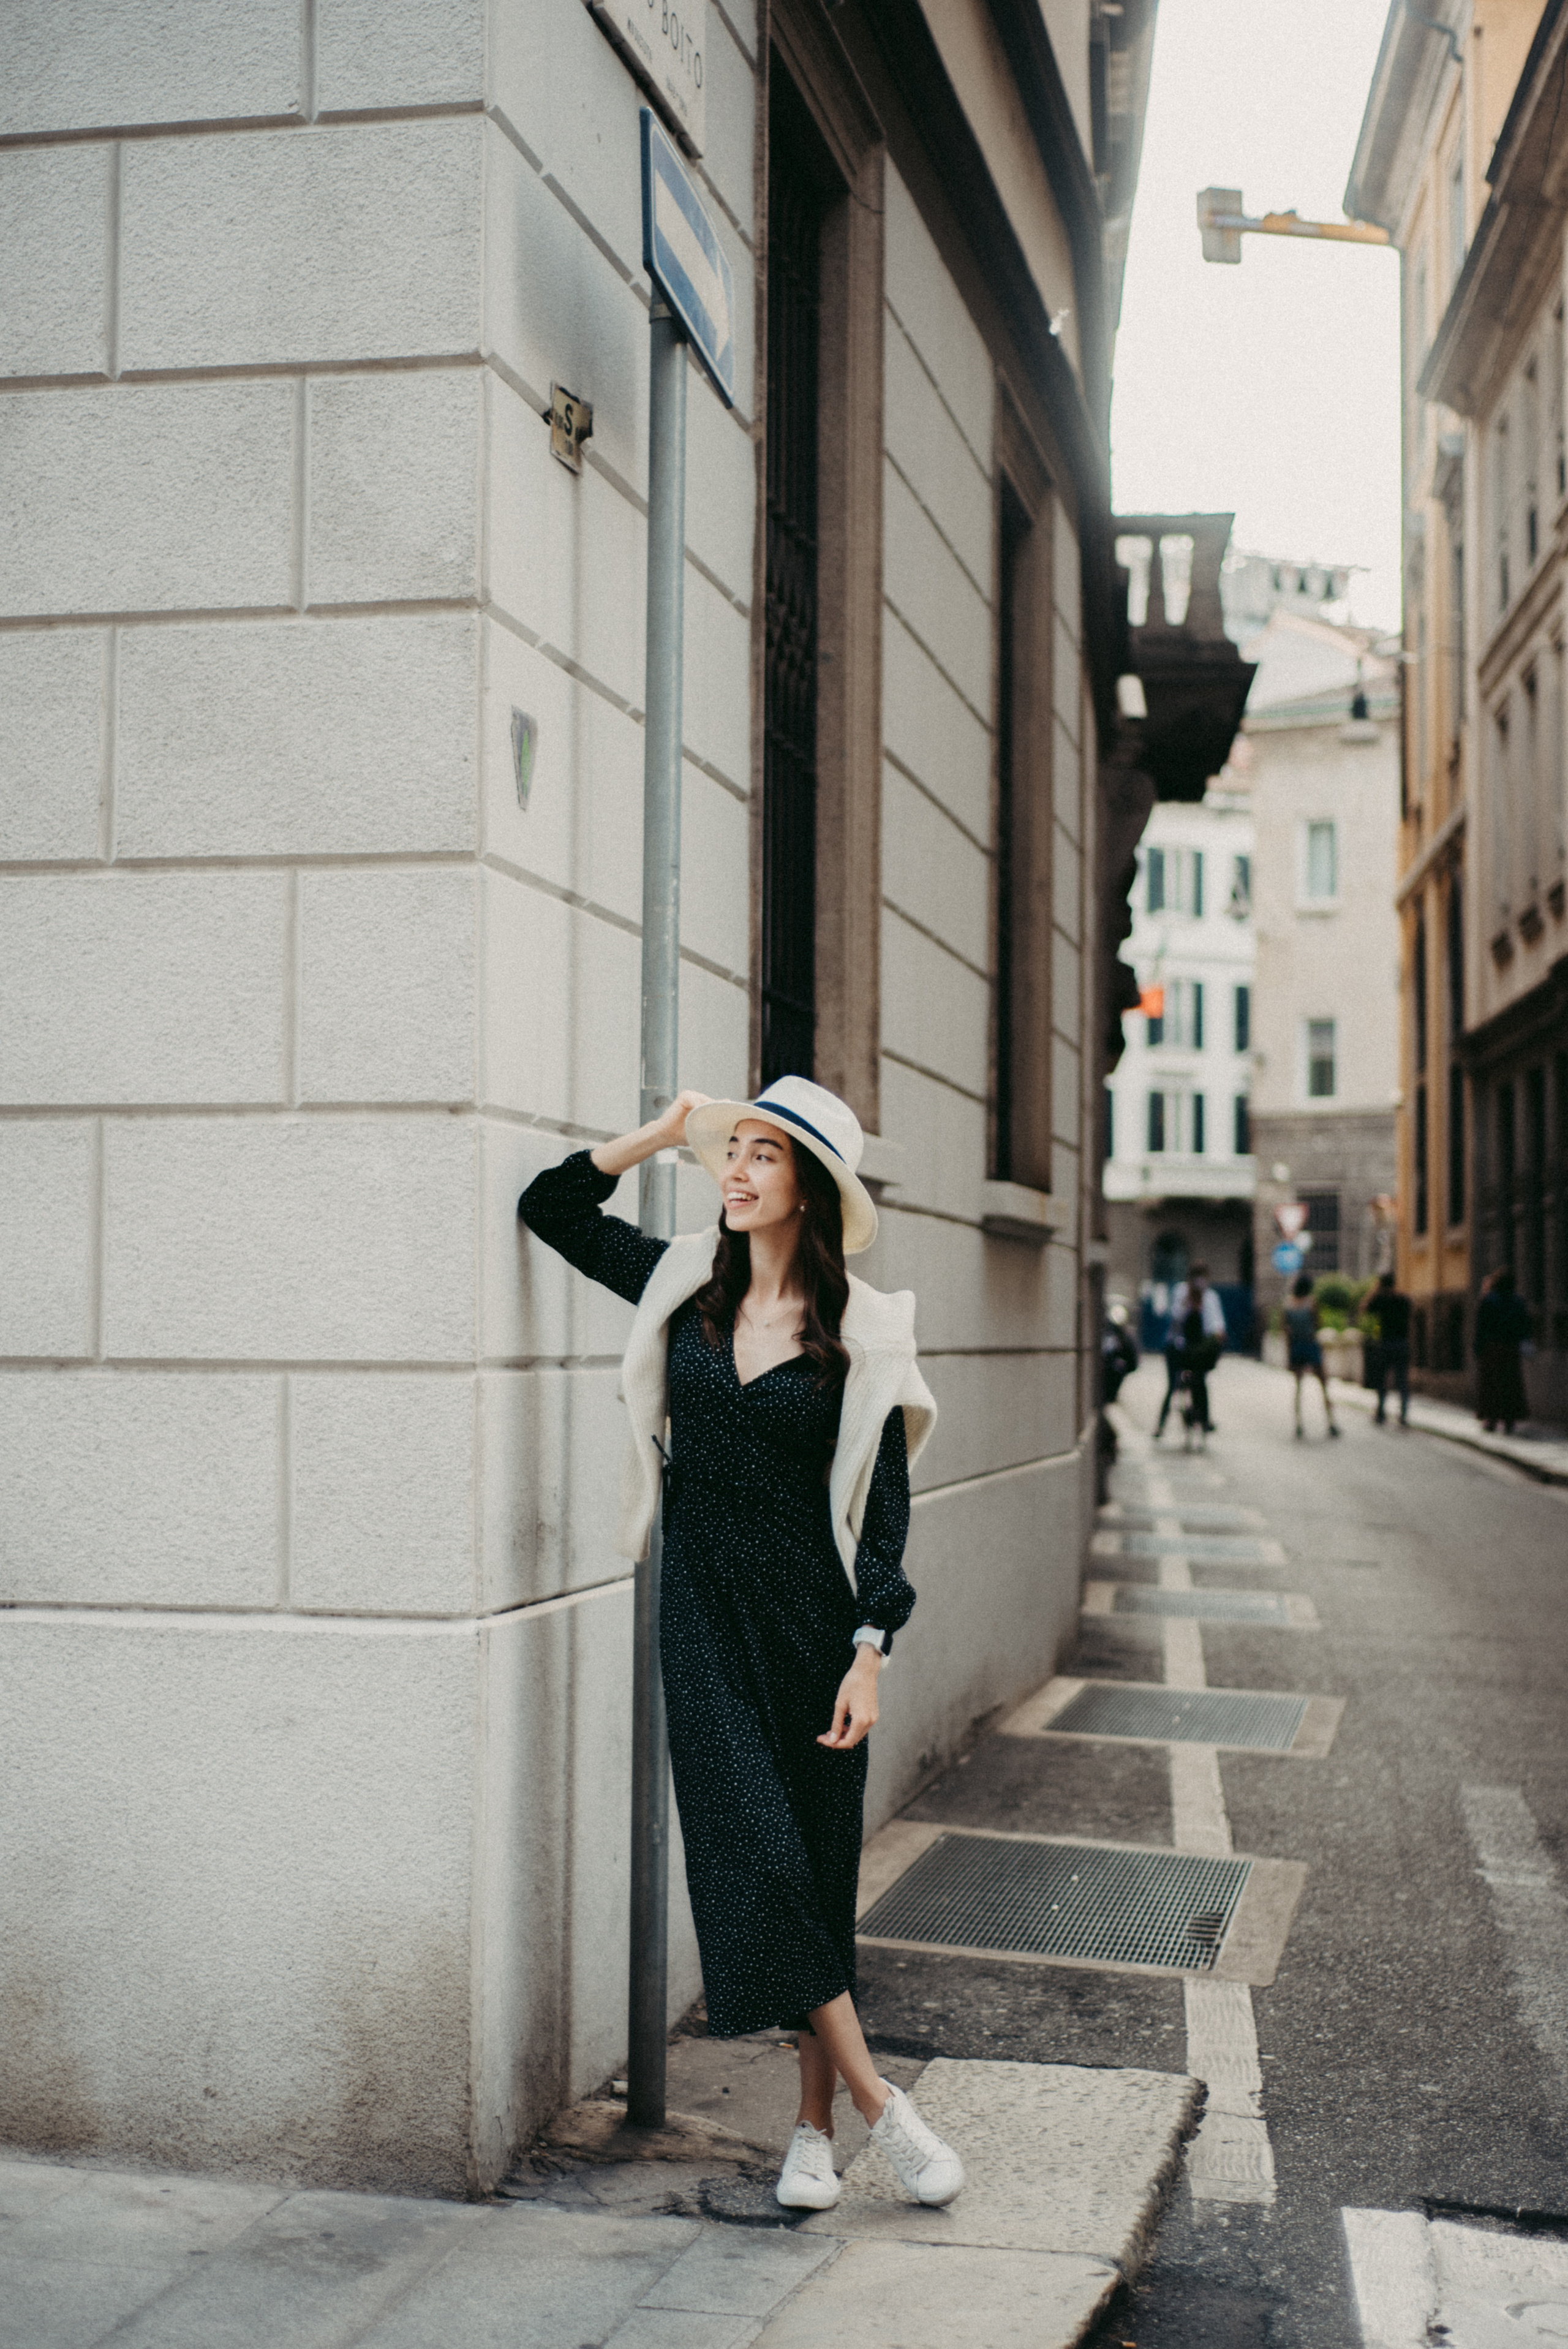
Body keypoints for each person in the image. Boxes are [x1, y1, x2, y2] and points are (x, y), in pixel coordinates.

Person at [518, 1075, 965, 2217]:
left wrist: (871, 1647)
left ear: (809, 1190)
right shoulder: (681, 1287)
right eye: (736, 1149)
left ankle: (810, 2134)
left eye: (763, 1155)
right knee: (754, 1845)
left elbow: (889, 1509)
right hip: (704, 1610)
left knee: (815, 1869)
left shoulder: (867, 1328)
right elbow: (551, 1206)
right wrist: (664, 1132)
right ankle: (882, 2102)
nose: (737, 1169)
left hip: (817, 1622)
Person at [1155, 1264, 1226, 1437]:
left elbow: (1217, 1325)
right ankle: (1161, 1425)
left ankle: (1205, 1420)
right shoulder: (1181, 1292)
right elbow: (1175, 1316)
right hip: (1178, 1347)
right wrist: (1188, 1302)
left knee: (1200, 1382)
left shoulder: (1210, 1298)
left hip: (1198, 1350)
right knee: (1172, 1385)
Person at [1475, 1266, 1532, 1432]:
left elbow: (1481, 1327)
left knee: (1491, 1385)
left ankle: (1491, 1420)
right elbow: (1524, 1326)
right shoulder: (1518, 1301)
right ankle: (1509, 1421)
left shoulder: (1488, 1300)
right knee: (1511, 1385)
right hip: (1511, 1349)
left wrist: (1478, 1349)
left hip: (1492, 1349)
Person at [1283, 1273, 1339, 1440]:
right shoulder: (1311, 1303)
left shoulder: (1288, 1305)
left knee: (1298, 1388)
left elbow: (1285, 1330)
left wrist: (1289, 1355)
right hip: (1310, 1345)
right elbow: (1318, 1324)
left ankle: (1298, 1424)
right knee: (1323, 1386)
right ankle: (1331, 1423)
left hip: (1296, 1347)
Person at [1365, 1271, 1412, 1426]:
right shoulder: (1404, 1299)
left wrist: (1375, 1290)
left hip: (1386, 1344)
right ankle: (1404, 1414)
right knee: (1402, 1381)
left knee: (1381, 1380)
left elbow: (1365, 1308)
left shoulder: (1380, 1299)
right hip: (1402, 1343)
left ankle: (1380, 1413)